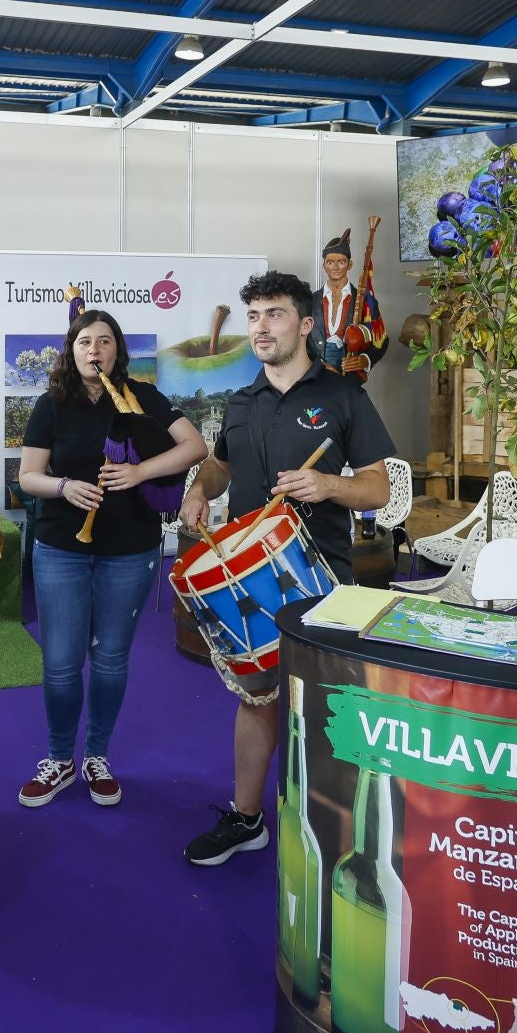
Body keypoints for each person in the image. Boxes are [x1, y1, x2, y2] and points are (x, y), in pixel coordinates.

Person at [178, 271, 394, 865]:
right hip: (252, 576)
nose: (259, 327)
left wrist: (327, 484)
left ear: (304, 324)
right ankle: (248, 818)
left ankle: (340, 833)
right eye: (253, 316)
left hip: (322, 576)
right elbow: (221, 466)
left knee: (327, 706)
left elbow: (378, 488)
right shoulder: (242, 401)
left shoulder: (342, 396)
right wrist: (200, 489)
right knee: (257, 701)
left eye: (273, 314)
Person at [16, 309, 205, 807]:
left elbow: (194, 446)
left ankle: (97, 755)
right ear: (71, 349)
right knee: (60, 663)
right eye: (84, 342)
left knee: (111, 658)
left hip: (129, 549)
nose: (94, 350)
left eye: (104, 341)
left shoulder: (143, 398)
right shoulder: (51, 404)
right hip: (61, 547)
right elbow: (28, 476)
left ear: (117, 350)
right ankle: (59, 758)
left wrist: (140, 473)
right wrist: (64, 487)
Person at [309, 230, 386, 380]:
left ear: (349, 265)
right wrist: (318, 367)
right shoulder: (310, 300)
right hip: (316, 377)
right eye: (330, 262)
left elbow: (381, 338)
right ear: (324, 266)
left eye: (341, 262)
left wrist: (365, 359)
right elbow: (301, 340)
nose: (335, 267)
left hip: (350, 379)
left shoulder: (364, 300)